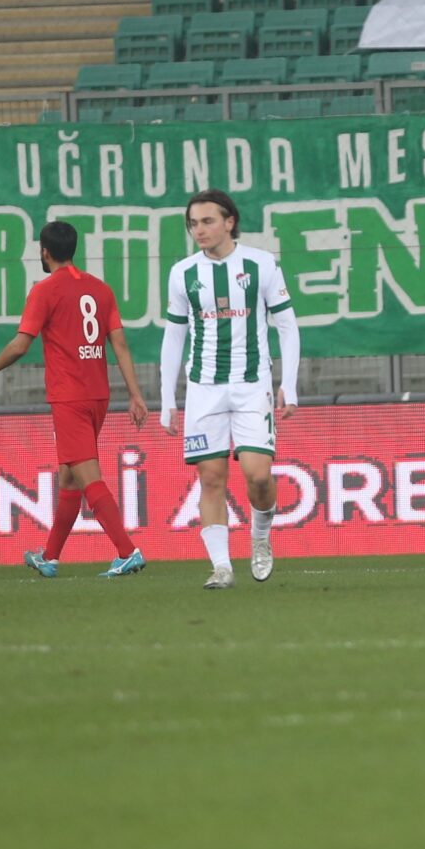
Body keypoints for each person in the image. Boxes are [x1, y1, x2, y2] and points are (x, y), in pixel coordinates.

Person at [0, 219, 150, 577]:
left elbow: (22, 343)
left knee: (88, 476)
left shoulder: (45, 291)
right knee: (70, 477)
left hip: (69, 397)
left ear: (44, 252)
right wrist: (134, 394)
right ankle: (50, 557)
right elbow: (119, 344)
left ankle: (127, 550)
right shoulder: (101, 290)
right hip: (98, 395)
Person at [160, 190, 299, 591]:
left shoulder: (261, 264)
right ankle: (221, 566)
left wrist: (287, 385)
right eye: (193, 223)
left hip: (251, 384)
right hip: (203, 388)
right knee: (211, 477)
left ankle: (260, 536)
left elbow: (288, 327)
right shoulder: (183, 273)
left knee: (258, 475)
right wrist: (168, 398)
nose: (198, 230)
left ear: (229, 222)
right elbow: (174, 338)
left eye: (206, 221)